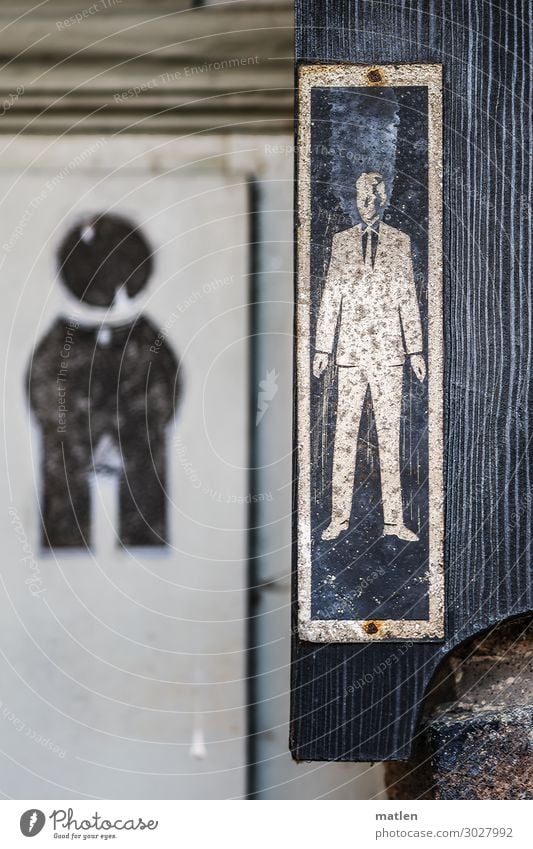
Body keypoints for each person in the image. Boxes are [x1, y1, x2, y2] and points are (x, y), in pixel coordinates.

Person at [313, 171, 425, 542]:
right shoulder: (342, 242)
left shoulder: (399, 242)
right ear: (354, 198)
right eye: (362, 197)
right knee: (345, 436)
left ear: (385, 199)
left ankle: (395, 521)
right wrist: (322, 348)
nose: (368, 204)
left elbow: (408, 296)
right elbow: (331, 296)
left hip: (390, 355)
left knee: (390, 437)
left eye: (375, 198)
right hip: (348, 354)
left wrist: (415, 349)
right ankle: (337, 518)